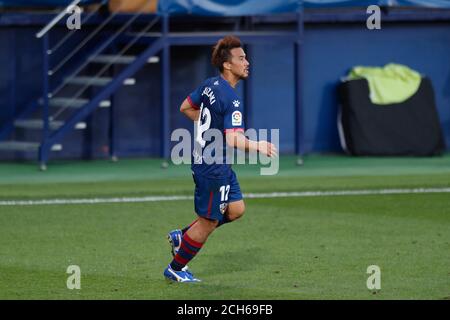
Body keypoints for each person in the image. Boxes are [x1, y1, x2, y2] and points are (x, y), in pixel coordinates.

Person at [163, 35, 277, 282]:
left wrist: (212, 126)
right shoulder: (232, 99)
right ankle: (176, 268)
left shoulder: (209, 85)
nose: (247, 62)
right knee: (209, 221)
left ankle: (182, 236)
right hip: (213, 167)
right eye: (241, 58)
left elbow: (185, 107)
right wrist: (258, 145)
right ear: (227, 64)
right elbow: (235, 140)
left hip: (210, 162)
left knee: (236, 210)